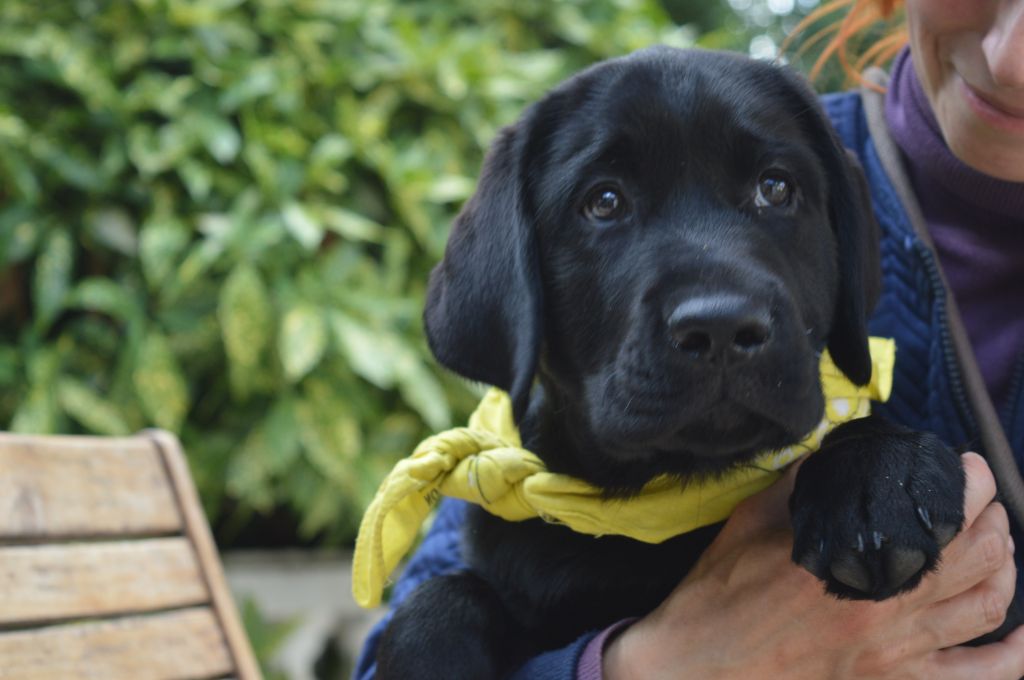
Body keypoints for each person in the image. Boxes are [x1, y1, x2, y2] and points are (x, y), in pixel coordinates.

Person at [354, 0, 1024, 676]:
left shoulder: (827, 170)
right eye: (604, 204)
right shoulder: (513, 492)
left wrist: (873, 460)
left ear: (850, 251)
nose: (1011, 55)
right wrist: (637, 667)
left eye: (774, 188)